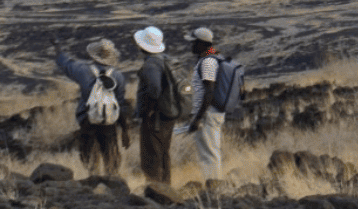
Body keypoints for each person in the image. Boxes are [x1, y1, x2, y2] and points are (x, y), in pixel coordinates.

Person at [53, 37, 130, 176]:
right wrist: (124, 130)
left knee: (89, 158)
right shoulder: (118, 76)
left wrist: (58, 48)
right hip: (109, 122)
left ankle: (93, 183)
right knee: (111, 158)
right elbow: (121, 104)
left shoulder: (83, 70)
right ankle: (114, 187)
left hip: (87, 119)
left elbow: (65, 64)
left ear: (93, 54)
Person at [178, 27, 228, 180]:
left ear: (201, 43)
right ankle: (214, 184)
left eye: (194, 42)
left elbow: (209, 91)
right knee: (212, 151)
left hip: (208, 114)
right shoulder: (213, 58)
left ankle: (213, 186)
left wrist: (198, 117)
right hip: (212, 112)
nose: (191, 46)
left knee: (209, 153)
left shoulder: (208, 62)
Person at [133, 26, 177, 184]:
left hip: (155, 118)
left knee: (151, 156)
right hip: (167, 115)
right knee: (163, 153)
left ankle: (154, 192)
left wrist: (148, 111)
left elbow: (154, 89)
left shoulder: (151, 64)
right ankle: (166, 189)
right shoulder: (164, 60)